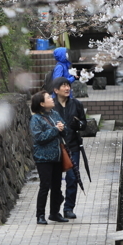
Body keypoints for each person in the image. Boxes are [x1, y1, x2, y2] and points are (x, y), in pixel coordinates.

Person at [29, 90, 69, 225]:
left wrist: (63, 128)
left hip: (57, 156)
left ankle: (54, 213)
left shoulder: (55, 114)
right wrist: (55, 130)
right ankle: (40, 215)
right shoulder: (36, 119)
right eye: (48, 97)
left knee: (57, 186)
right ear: (41, 103)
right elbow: (39, 138)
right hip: (43, 158)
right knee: (45, 186)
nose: (52, 98)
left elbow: (65, 130)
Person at [51, 76, 87, 219]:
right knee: (56, 180)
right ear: (56, 90)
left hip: (72, 146)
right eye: (63, 86)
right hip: (56, 147)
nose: (67, 88)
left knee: (72, 178)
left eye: (68, 85)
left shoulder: (76, 104)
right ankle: (55, 211)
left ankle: (68, 208)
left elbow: (84, 123)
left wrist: (78, 125)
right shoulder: (51, 105)